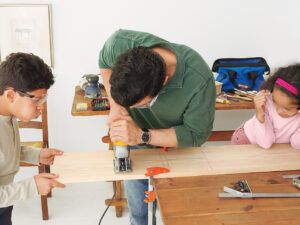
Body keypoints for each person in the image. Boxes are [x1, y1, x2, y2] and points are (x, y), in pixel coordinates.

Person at [99, 29, 216, 225]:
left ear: (164, 81)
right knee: (139, 214)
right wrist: (117, 107)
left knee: (179, 214)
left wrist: (142, 136)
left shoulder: (198, 80)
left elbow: (196, 135)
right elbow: (104, 61)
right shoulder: (122, 42)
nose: (134, 109)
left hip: (178, 149)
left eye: (140, 105)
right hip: (136, 147)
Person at [0, 53, 65, 225]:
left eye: (43, 99)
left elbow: (5, 151)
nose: (40, 107)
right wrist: (33, 186)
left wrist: (36, 155)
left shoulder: (7, 116)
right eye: (37, 100)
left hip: (5, 201)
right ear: (11, 96)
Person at [231, 63, 300, 149]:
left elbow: (296, 144)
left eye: (287, 108)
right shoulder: (267, 101)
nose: (278, 111)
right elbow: (266, 143)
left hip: (272, 147)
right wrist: (260, 115)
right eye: (275, 102)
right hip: (246, 139)